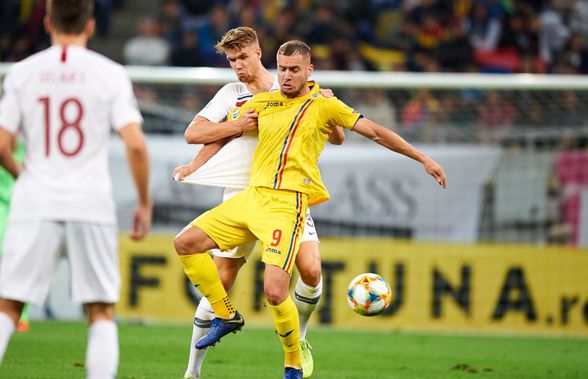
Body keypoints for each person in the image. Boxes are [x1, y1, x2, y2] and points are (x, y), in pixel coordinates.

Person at [173, 39, 446, 379]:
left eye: (294, 70)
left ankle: (294, 359)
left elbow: (373, 132)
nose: (286, 76)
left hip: (288, 203)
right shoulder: (259, 100)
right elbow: (218, 135)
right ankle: (221, 323)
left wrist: (423, 158)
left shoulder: (324, 104)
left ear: (309, 71)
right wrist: (193, 166)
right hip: (249, 196)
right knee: (185, 243)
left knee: (286, 285)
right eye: (283, 69)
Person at [172, 26, 343, 379]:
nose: (238, 66)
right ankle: (192, 372)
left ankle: (302, 339)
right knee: (219, 281)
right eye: (231, 60)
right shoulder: (230, 94)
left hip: (285, 196)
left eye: (243, 57)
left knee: (310, 270)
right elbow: (196, 133)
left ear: (259, 52)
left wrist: (327, 99)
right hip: (241, 196)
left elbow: (335, 135)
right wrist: (231, 129)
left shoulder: (290, 87)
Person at [0, 1, 152, 378]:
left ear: (48, 23)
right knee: (100, 309)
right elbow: (135, 144)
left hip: (35, 201)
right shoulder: (110, 74)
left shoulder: (23, 72)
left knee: (8, 306)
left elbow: (2, 143)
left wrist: (24, 174)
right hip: (91, 203)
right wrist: (144, 203)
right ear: (91, 25)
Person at [0, 138, 29, 332]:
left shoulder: (27, 149)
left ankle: (21, 316)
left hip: (23, 210)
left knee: (21, 261)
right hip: (2, 207)